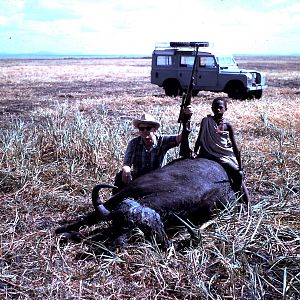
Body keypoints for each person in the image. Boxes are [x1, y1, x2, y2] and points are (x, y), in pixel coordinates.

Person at [113, 110, 192, 193]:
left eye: (148, 128)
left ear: (154, 130)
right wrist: (126, 170)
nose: (144, 131)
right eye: (141, 129)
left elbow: (180, 138)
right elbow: (127, 163)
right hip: (140, 178)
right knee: (120, 176)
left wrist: (187, 120)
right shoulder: (134, 143)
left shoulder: (162, 141)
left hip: (157, 179)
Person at [194, 97, 250, 207]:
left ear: (226, 109)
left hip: (223, 155)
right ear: (212, 108)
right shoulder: (206, 121)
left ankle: (243, 199)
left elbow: (234, 146)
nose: (218, 110)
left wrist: (240, 166)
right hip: (207, 152)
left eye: (220, 107)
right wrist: (195, 151)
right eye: (215, 107)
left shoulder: (227, 125)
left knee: (238, 174)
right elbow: (200, 137)